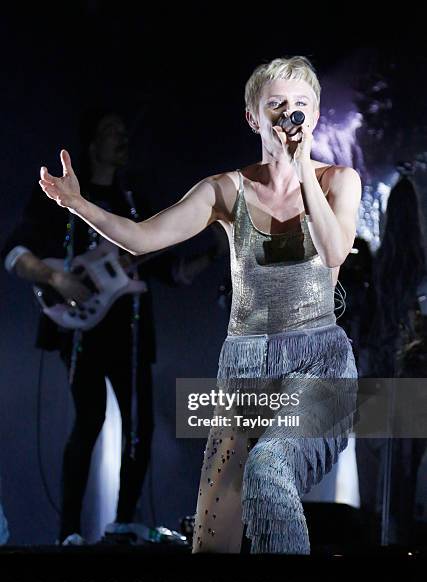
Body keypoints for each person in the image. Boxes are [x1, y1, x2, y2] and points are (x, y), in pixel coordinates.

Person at [38, 56, 361, 554]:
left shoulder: (338, 182)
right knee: (213, 542)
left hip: (318, 365)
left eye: (300, 106)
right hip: (246, 368)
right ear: (254, 117)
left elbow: (336, 250)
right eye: (276, 105)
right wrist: (79, 205)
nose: (288, 116)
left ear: (315, 116)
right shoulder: (226, 190)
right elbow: (142, 240)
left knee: (270, 467)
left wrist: (299, 171)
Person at [1, 109, 193, 546]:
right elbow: (14, 249)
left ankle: (122, 522)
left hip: (130, 328)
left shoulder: (134, 200)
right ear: (91, 143)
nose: (121, 138)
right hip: (82, 328)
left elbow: (170, 270)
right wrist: (55, 277)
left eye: (125, 131)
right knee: (89, 419)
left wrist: (212, 253)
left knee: (139, 424)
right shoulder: (64, 196)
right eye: (111, 131)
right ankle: (69, 530)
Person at [356, 173, 427, 547]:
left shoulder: (373, 266)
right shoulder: (421, 270)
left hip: (374, 379)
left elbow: (360, 327)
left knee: (372, 492)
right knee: (402, 487)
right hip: (413, 385)